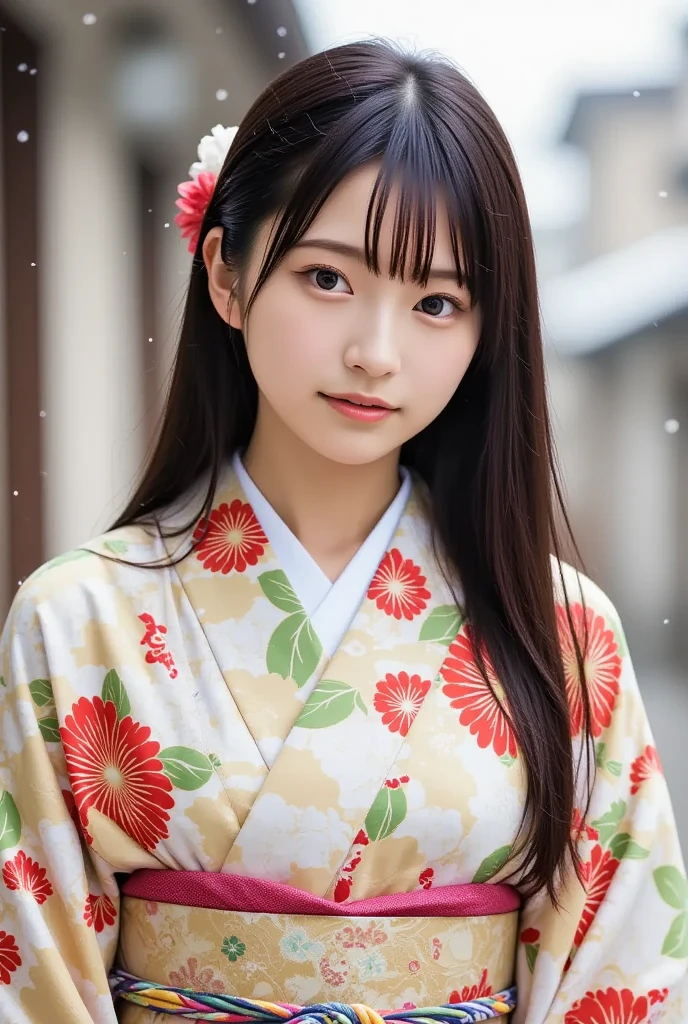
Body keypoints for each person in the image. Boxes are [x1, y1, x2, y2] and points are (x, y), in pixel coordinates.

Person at [0, 38, 685, 1024]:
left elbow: (620, 975)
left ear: (486, 331)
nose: (375, 351)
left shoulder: (565, 634)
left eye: (437, 301)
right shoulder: (75, 620)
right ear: (226, 277)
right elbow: (33, 978)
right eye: (328, 279)